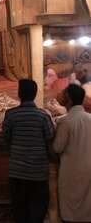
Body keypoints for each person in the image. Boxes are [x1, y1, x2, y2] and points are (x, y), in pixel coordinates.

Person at [2, 79, 54, 223]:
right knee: (38, 208)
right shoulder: (43, 116)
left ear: (19, 94)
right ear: (35, 94)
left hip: (17, 170)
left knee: (20, 208)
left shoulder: (10, 114)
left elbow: (6, 137)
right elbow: (50, 137)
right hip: (38, 172)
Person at [53, 84, 91, 223]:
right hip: (88, 168)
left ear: (68, 98)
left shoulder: (66, 121)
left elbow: (57, 147)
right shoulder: (90, 118)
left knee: (71, 210)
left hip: (71, 170)